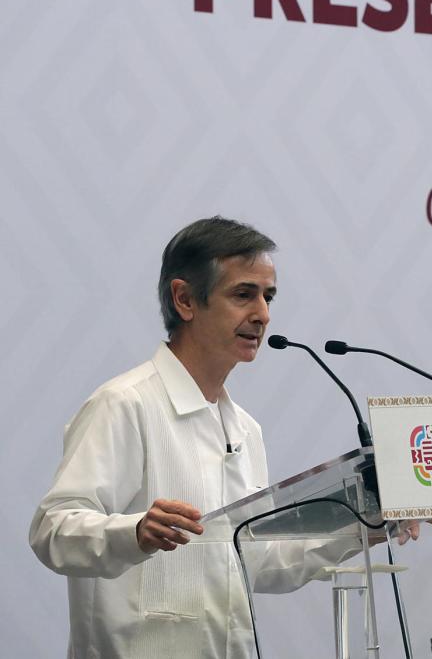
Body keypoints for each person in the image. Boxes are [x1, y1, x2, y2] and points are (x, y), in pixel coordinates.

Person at [29, 217, 399, 658]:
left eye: (268, 296)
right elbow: (53, 529)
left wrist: (363, 530)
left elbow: (259, 560)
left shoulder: (245, 428)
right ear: (185, 299)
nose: (262, 313)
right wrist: (136, 531)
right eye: (244, 294)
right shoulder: (124, 404)